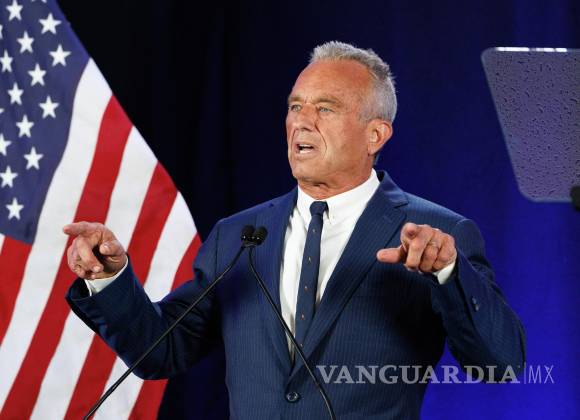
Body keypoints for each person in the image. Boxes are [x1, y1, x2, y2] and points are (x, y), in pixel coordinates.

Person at [64, 41, 525, 419]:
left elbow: (500, 365)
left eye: (325, 108)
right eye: (295, 106)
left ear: (375, 135)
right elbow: (160, 352)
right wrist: (108, 277)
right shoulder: (239, 235)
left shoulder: (436, 234)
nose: (301, 121)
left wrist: (448, 272)